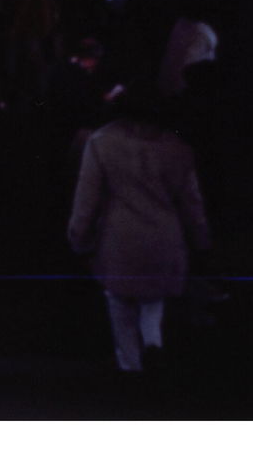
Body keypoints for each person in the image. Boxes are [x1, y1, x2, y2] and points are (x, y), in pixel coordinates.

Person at [68, 86, 211, 377]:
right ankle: (153, 344)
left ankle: (130, 366)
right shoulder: (177, 148)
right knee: (152, 301)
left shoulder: (102, 142)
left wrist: (78, 238)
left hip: (118, 235)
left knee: (119, 303)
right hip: (165, 236)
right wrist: (202, 241)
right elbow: (192, 203)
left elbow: (87, 199)